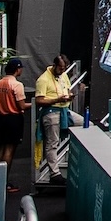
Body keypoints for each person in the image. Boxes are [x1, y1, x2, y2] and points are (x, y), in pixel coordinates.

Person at [32, 54, 73, 188]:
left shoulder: (63, 75)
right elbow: (39, 100)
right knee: (52, 142)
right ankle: (54, 173)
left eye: (64, 69)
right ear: (54, 65)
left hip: (65, 110)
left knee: (85, 124)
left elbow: (68, 89)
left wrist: (69, 95)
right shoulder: (43, 79)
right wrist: (57, 99)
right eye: (60, 68)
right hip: (51, 111)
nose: (62, 71)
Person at [0, 59, 30, 192]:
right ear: (17, 69)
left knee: (1, 148)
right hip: (13, 119)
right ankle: (3, 182)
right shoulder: (17, 85)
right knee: (9, 149)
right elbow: (22, 105)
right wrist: (35, 103)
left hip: (1, 118)